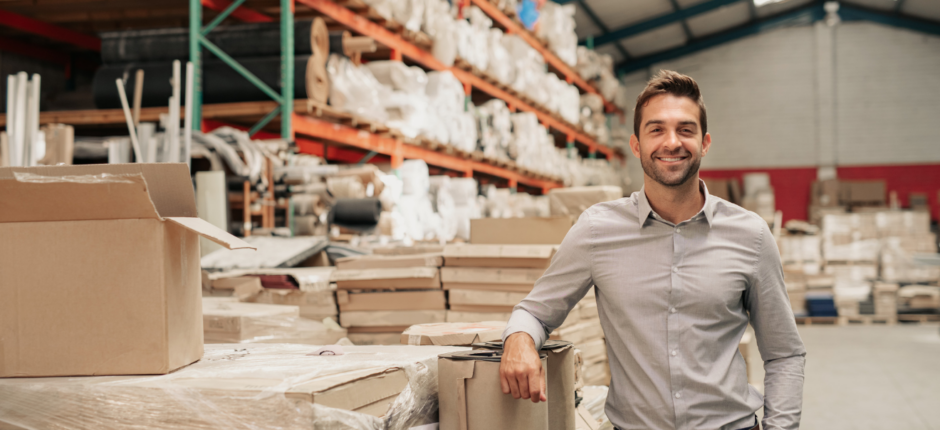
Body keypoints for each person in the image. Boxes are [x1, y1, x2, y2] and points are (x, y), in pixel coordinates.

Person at [499, 70, 805, 430]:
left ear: (705, 143)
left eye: (686, 130)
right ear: (636, 145)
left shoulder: (750, 235)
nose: (671, 142)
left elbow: (784, 353)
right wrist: (518, 340)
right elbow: (535, 312)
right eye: (656, 129)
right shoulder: (597, 230)